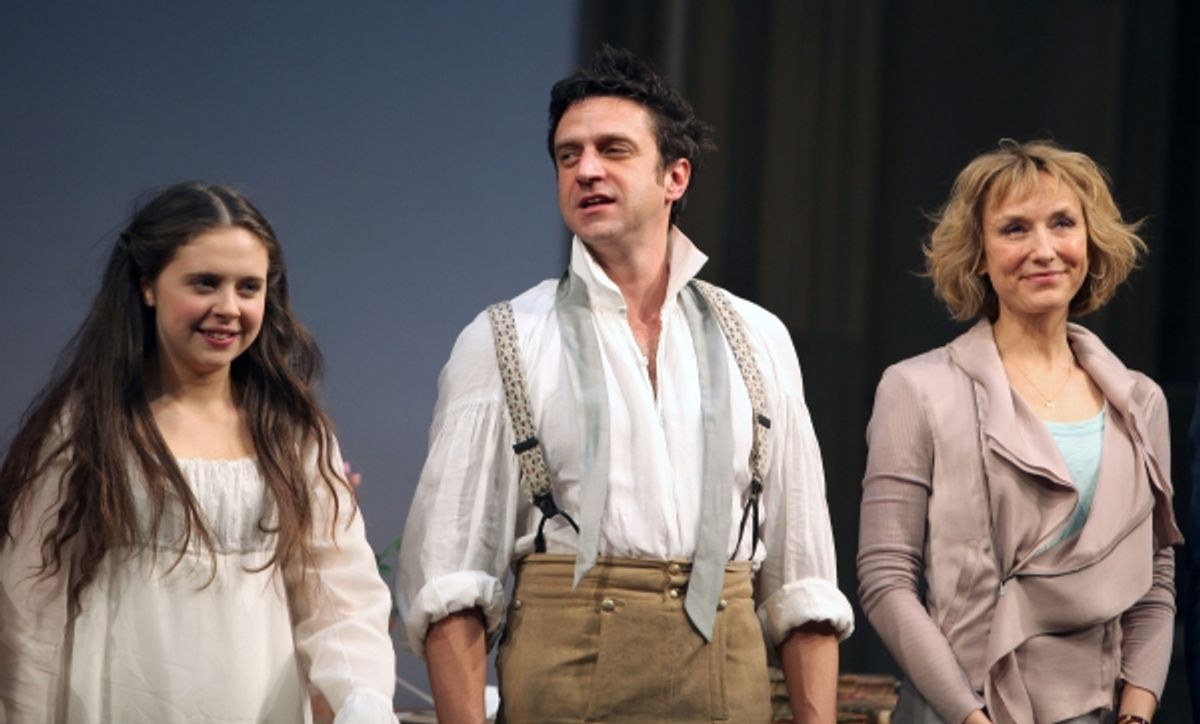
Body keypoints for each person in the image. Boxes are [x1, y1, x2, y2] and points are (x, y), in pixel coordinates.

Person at [396, 46, 854, 723]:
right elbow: (450, 574)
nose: (586, 170)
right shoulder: (505, 339)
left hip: (727, 694)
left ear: (675, 176)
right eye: (568, 155)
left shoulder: (758, 339)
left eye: (613, 150)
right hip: (564, 691)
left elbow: (802, 576)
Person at [0, 183, 398, 723]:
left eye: (248, 287)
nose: (228, 308)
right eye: (205, 283)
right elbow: (29, 614)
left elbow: (339, 595)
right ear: (148, 286)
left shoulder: (291, 434)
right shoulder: (89, 428)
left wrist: (363, 703)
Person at [856, 140, 1181, 724]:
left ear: (1090, 240)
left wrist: (1136, 715)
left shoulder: (1140, 402)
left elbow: (1153, 584)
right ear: (979, 254)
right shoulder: (917, 388)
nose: (1043, 249)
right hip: (959, 711)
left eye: (1063, 223)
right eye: (1014, 229)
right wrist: (970, 716)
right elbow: (886, 580)